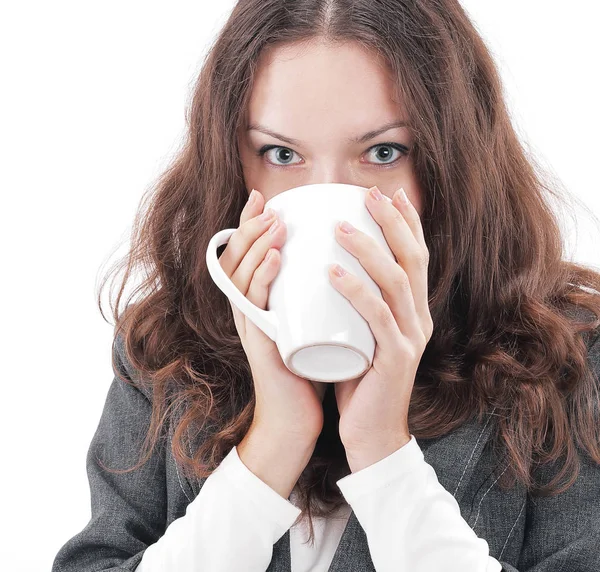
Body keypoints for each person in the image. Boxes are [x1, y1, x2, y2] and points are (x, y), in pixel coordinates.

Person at [52, 0, 600, 571]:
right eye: (282, 154)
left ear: (454, 164)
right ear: (230, 162)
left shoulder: (573, 358)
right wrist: (273, 444)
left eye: (383, 153)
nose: (334, 212)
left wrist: (386, 458)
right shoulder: (164, 349)